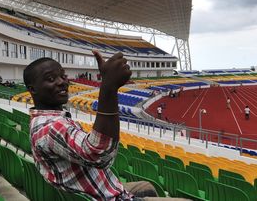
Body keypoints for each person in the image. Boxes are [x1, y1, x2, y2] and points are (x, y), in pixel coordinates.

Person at [24, 50, 188, 201]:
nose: (62, 82)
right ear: (33, 89)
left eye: (63, 75)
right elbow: (98, 154)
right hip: (108, 197)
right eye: (51, 79)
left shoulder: (42, 120)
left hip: (96, 189)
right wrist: (109, 86)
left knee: (148, 187)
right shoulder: (51, 127)